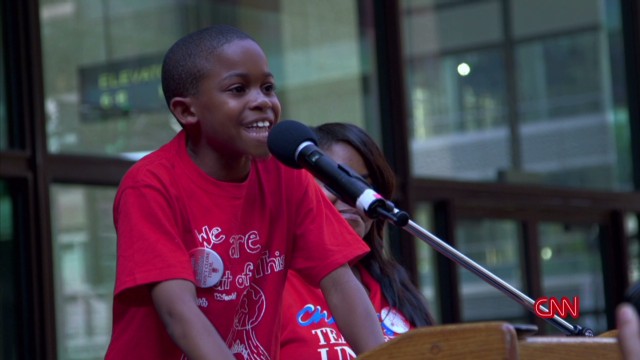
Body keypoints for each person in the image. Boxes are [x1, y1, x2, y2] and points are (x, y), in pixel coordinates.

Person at [104, 25, 385, 360]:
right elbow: (178, 313)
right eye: (238, 89)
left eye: (268, 87)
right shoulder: (150, 184)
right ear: (186, 111)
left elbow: (340, 284)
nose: (262, 102)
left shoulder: (286, 174)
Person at [279, 122, 435, 359]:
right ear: (300, 189)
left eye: (364, 184)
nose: (353, 196)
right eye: (335, 181)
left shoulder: (393, 286)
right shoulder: (274, 283)